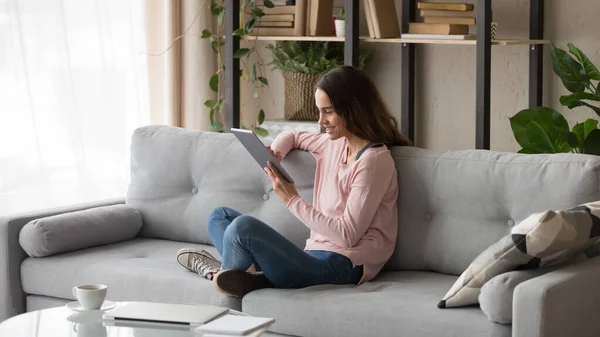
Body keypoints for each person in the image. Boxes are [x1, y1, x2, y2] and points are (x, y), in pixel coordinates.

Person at [176, 65, 412, 297]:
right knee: (220, 216)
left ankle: (222, 274)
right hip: (312, 254)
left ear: (353, 109)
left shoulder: (374, 161)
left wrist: (292, 200)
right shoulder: (332, 143)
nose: (321, 121)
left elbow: (347, 235)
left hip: (344, 265)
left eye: (328, 111)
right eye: (319, 111)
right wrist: (277, 152)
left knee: (242, 228)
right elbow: (293, 135)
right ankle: (244, 277)